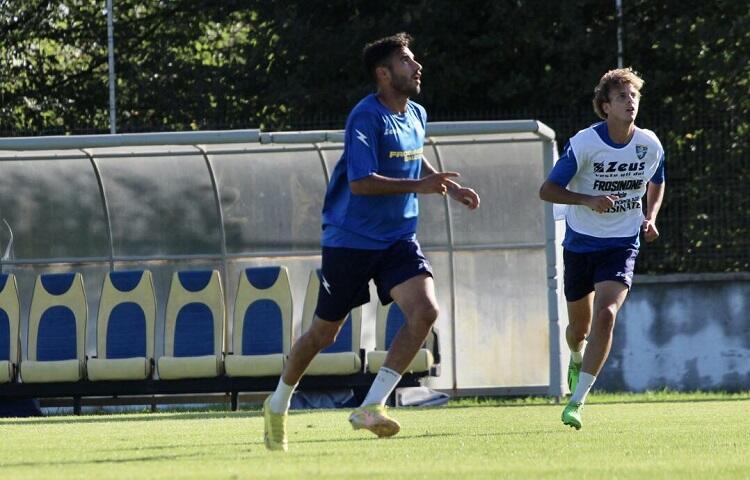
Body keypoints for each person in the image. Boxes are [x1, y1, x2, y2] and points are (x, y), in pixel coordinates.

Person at [263, 32, 480, 451]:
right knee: (323, 336)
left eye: (414, 60)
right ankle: (277, 403)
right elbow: (361, 184)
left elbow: (412, 156)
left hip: (398, 239)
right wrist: (423, 185)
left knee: (425, 311)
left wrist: (447, 188)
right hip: (351, 241)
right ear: (384, 74)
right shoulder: (365, 116)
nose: (417, 67)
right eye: (406, 61)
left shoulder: (417, 113)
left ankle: (372, 405)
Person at [539, 68, 665, 430]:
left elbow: (657, 179)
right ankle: (575, 355)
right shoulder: (584, 144)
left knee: (606, 315)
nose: (631, 102)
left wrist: (650, 216)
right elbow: (547, 191)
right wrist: (588, 200)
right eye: (622, 97)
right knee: (578, 329)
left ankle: (577, 403)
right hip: (580, 244)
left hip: (622, 243)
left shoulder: (650, 144)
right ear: (605, 106)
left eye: (634, 97)